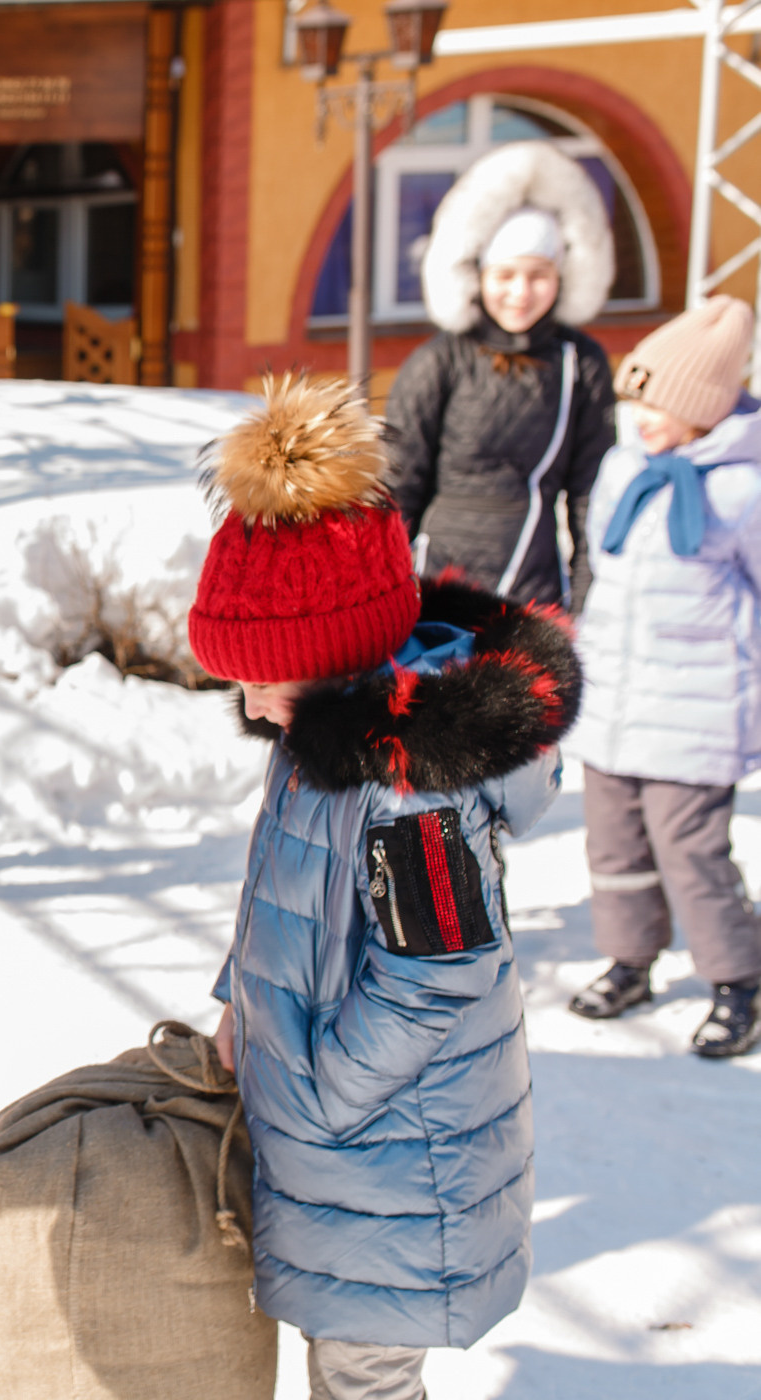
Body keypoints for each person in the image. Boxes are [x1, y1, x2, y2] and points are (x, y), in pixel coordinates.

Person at [194, 376, 580, 1398]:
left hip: (399, 1151)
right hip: (354, 1148)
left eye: (262, 677)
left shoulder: (412, 794)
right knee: (342, 1356)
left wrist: (327, 1086)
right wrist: (240, 998)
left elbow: (440, 971)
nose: (250, 704)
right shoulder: (317, 744)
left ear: (333, 654)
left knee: (362, 1374)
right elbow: (285, 895)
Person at [563, 295, 761, 1058]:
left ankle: (737, 979)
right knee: (613, 847)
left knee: (690, 851)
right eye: (635, 399)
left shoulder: (742, 490)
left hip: (696, 710)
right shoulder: (624, 470)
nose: (640, 416)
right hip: (614, 703)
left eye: (659, 403)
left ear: (703, 407)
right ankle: (630, 960)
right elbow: (601, 570)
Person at [388, 140, 619, 610]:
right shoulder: (439, 361)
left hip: (532, 590)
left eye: (538, 275)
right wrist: (383, 589)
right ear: (479, 276)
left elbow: (590, 495)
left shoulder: (580, 363)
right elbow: (399, 487)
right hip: (435, 587)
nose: (521, 292)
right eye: (505, 275)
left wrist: (586, 597)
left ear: (562, 276)